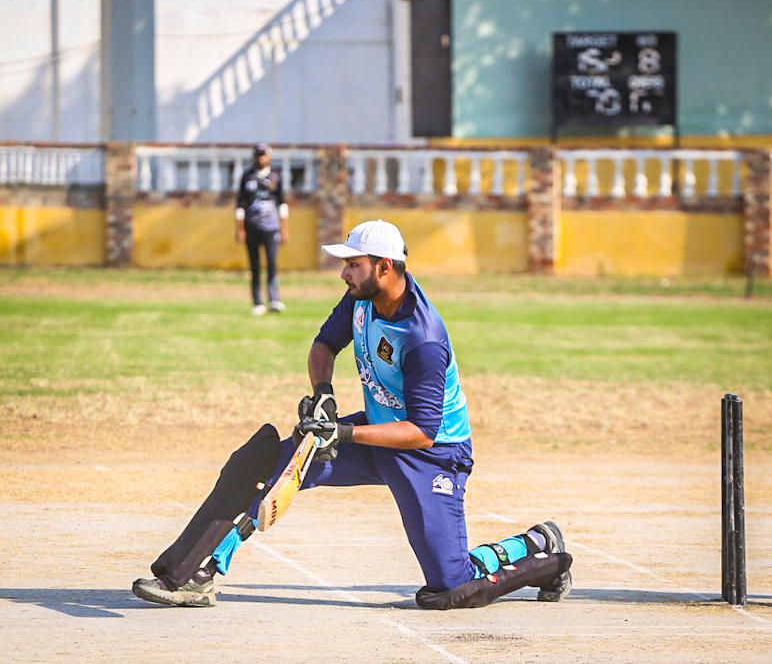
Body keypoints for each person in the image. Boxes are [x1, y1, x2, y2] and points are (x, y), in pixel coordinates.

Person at [132, 219, 573, 609]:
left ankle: (541, 551)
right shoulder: (361, 300)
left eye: (354, 264)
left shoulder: (422, 338)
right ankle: (191, 574)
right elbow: (324, 345)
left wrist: (342, 433)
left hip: (432, 456)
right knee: (263, 466)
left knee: (449, 587)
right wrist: (323, 394)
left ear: (384, 267)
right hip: (374, 433)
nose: (344, 273)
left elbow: (422, 431)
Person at [234, 143, 289, 315]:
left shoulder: (276, 176)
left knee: (272, 263)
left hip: (271, 227)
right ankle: (257, 302)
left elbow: (282, 203)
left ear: (269, 157)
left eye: (263, 155)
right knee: (255, 265)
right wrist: (240, 229)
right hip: (251, 226)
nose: (261, 158)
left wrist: (284, 229)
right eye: (258, 155)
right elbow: (240, 205)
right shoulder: (247, 176)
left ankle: (274, 299)